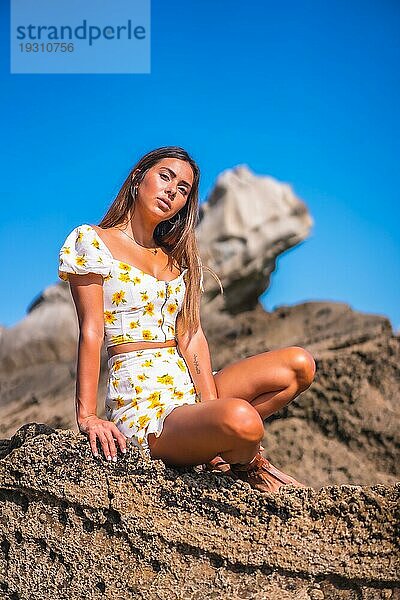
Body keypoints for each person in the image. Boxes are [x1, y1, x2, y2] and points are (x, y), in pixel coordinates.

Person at [58, 146, 316, 493]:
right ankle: (249, 463)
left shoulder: (177, 257)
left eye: (183, 190)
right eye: (165, 177)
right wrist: (87, 416)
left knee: (299, 366)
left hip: (189, 388)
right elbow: (91, 332)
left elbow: (192, 337)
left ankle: (213, 439)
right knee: (245, 422)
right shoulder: (93, 241)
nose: (172, 192)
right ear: (138, 178)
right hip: (145, 406)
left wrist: (210, 408)